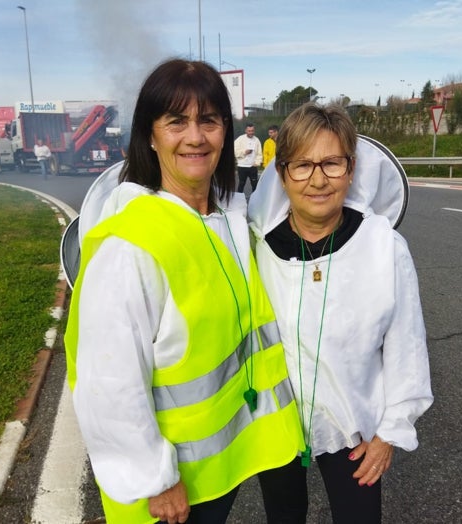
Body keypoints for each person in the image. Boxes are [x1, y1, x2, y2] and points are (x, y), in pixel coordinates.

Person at [64, 58, 304, 524]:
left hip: (245, 449)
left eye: (208, 121)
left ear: (226, 133)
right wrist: (154, 478)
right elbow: (107, 384)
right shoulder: (128, 245)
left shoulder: (230, 219)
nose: (195, 137)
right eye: (176, 122)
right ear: (149, 136)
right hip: (177, 484)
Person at [248, 103, 433, 523]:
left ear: (351, 169)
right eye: (302, 165)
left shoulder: (383, 248)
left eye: (332, 163)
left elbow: (407, 345)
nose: (317, 179)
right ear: (282, 173)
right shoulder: (258, 248)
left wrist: (390, 433)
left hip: (353, 425)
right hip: (276, 423)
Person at [234, 123, 262, 193]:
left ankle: (255, 201)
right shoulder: (240, 139)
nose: (251, 132)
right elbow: (235, 151)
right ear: (245, 131)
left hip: (252, 166)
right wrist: (244, 152)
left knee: (255, 184)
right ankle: (239, 200)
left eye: (252, 131)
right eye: (249, 131)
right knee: (241, 184)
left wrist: (257, 163)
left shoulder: (256, 140)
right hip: (242, 166)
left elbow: (259, 153)